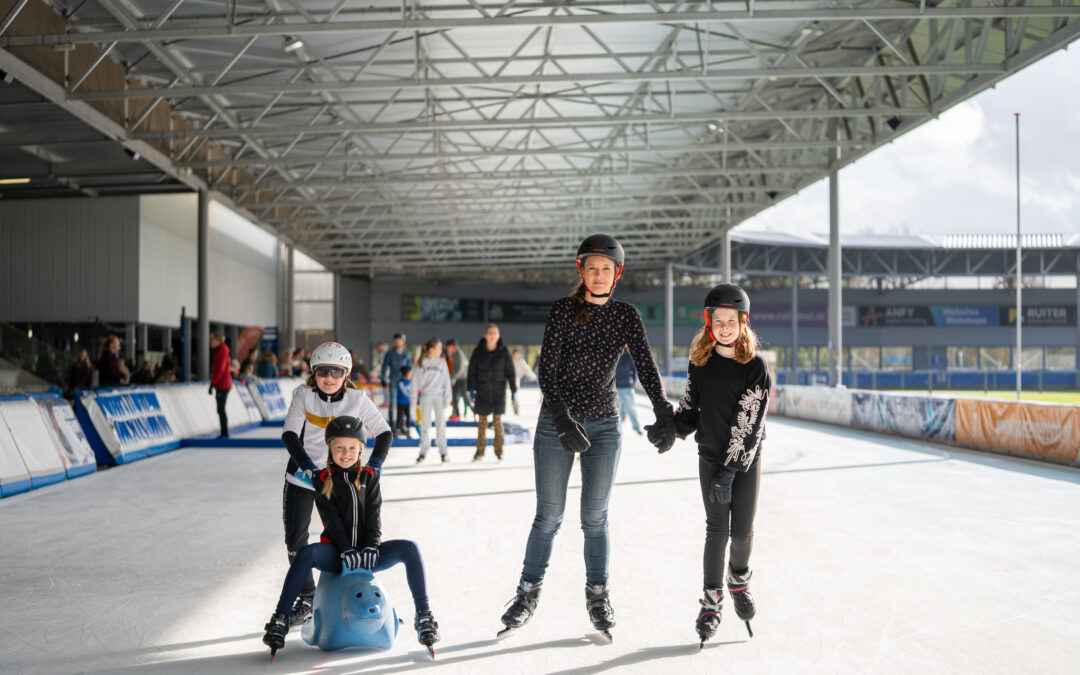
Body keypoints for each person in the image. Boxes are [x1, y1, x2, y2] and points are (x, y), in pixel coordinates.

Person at [498, 234, 676, 640]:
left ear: (617, 274)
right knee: (549, 516)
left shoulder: (626, 315)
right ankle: (527, 594)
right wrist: (561, 418)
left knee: (595, 519)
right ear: (582, 272)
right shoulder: (563, 310)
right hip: (556, 424)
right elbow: (547, 370)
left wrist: (664, 413)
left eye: (606, 269)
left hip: (605, 424)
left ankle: (598, 596)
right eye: (592, 268)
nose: (599, 276)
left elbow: (647, 368)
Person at [262, 416, 439, 658]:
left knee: (409, 548)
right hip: (337, 554)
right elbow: (331, 521)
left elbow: (374, 515)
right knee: (306, 553)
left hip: (367, 554)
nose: (346, 454)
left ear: (360, 449)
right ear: (330, 448)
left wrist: (372, 547)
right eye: (339, 448)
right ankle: (280, 618)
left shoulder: (369, 476)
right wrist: (346, 549)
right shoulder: (323, 480)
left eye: (352, 448)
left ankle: (424, 615)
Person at [671, 284, 770, 646]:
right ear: (708, 322)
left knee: (741, 531)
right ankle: (711, 603)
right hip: (711, 457)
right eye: (719, 320)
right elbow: (689, 410)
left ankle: (738, 579)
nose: (725, 326)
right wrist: (669, 430)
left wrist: (731, 470)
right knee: (717, 531)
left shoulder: (755, 368)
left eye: (732, 320)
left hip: (744, 461)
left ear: (743, 323)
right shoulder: (700, 364)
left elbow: (750, 423)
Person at [280, 342, 394, 627]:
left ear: (346, 374)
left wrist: (375, 465)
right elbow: (290, 435)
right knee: (295, 538)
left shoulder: (358, 399)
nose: (328, 378)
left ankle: (352, 591)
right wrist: (306, 465)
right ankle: (307, 596)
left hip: (342, 480)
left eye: (336, 372)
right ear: (313, 373)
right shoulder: (303, 396)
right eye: (322, 372)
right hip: (304, 477)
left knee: (347, 538)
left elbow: (384, 433)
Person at [466, 324, 516, 461]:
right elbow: (472, 372)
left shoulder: (504, 351)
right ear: (485, 335)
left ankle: (499, 451)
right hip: (482, 392)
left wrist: (513, 391)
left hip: (499, 392)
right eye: (489, 333)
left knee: (497, 422)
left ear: (498, 335)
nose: (492, 335)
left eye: (494, 333)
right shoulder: (478, 351)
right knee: (482, 423)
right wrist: (471, 389)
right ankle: (479, 452)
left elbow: (510, 373)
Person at [410, 339, 452, 464]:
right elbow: (414, 383)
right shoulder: (421, 362)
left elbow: (447, 381)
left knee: (441, 424)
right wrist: (413, 401)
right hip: (426, 397)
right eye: (439, 348)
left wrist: (448, 398)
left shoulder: (442, 362)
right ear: (432, 349)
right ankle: (423, 451)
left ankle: (444, 451)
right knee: (425, 425)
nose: (441, 350)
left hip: (439, 396)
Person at [380, 334, 411, 425]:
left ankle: (402, 424)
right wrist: (383, 378)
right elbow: (384, 366)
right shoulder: (390, 353)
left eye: (399, 340)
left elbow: (410, 369)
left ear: (403, 341)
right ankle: (392, 425)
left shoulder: (406, 354)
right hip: (393, 381)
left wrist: (411, 381)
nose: (397, 342)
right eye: (396, 340)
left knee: (404, 403)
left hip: (404, 383)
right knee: (393, 403)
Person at [614, 346, 642, 435]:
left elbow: (634, 370)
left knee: (631, 409)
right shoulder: (614, 355)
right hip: (616, 387)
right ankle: (618, 430)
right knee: (617, 410)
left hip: (627, 387)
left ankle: (637, 427)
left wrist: (632, 382)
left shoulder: (628, 356)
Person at [446, 339, 470, 420]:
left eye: (448, 347)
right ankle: (456, 413)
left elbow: (460, 368)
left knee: (465, 397)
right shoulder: (454, 354)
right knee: (454, 396)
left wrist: (453, 377)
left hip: (462, 379)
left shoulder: (459, 354)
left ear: (452, 347)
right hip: (457, 378)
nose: (447, 349)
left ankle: (476, 412)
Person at [395, 366, 414, 438]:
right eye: (410, 374)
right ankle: (397, 430)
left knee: (408, 417)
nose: (411, 376)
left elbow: (413, 390)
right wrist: (412, 396)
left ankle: (408, 431)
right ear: (405, 374)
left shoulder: (410, 382)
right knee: (400, 417)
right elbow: (405, 392)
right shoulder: (400, 383)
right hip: (400, 403)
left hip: (408, 403)